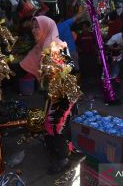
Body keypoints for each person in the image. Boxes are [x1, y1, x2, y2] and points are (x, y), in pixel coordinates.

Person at [20, 16, 76, 174]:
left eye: (37, 27)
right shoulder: (41, 46)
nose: (34, 30)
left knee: (54, 125)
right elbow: (29, 63)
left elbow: (70, 65)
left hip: (62, 93)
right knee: (53, 124)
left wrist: (57, 70)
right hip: (52, 92)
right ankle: (58, 150)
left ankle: (63, 159)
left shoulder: (55, 45)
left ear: (46, 27)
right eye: (32, 27)